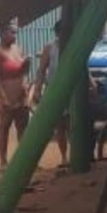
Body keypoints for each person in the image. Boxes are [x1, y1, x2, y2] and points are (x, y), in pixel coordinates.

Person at [0, 22, 30, 168]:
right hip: (7, 94)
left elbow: (24, 71)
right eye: (11, 33)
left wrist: (25, 85)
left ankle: (23, 159)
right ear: (2, 34)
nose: (14, 36)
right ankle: (3, 160)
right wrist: (3, 97)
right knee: (4, 125)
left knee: (23, 127)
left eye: (15, 33)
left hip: (21, 93)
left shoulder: (18, 49)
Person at [34, 20, 68, 166]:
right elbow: (41, 70)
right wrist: (37, 89)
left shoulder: (74, 46)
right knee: (59, 126)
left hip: (71, 91)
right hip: (54, 91)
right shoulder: (50, 48)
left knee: (74, 125)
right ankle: (64, 157)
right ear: (58, 33)